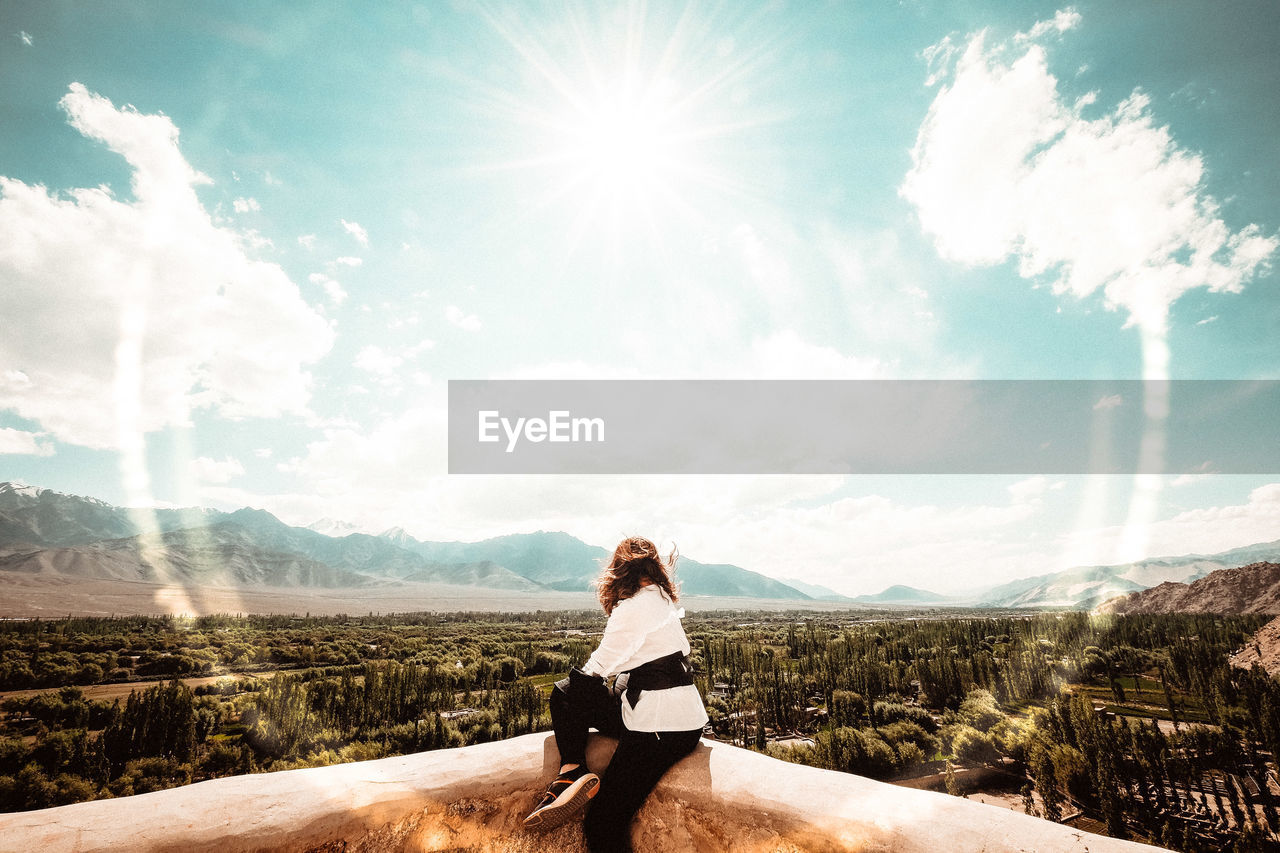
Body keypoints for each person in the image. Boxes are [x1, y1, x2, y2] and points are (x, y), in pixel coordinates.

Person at [523, 536, 708, 852]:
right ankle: (572, 774)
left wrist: (582, 690)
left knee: (603, 822)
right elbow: (630, 665)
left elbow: (598, 667)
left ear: (619, 571)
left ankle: (572, 773)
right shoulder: (662, 599)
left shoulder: (634, 608)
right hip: (684, 722)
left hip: (659, 729)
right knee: (580, 692)